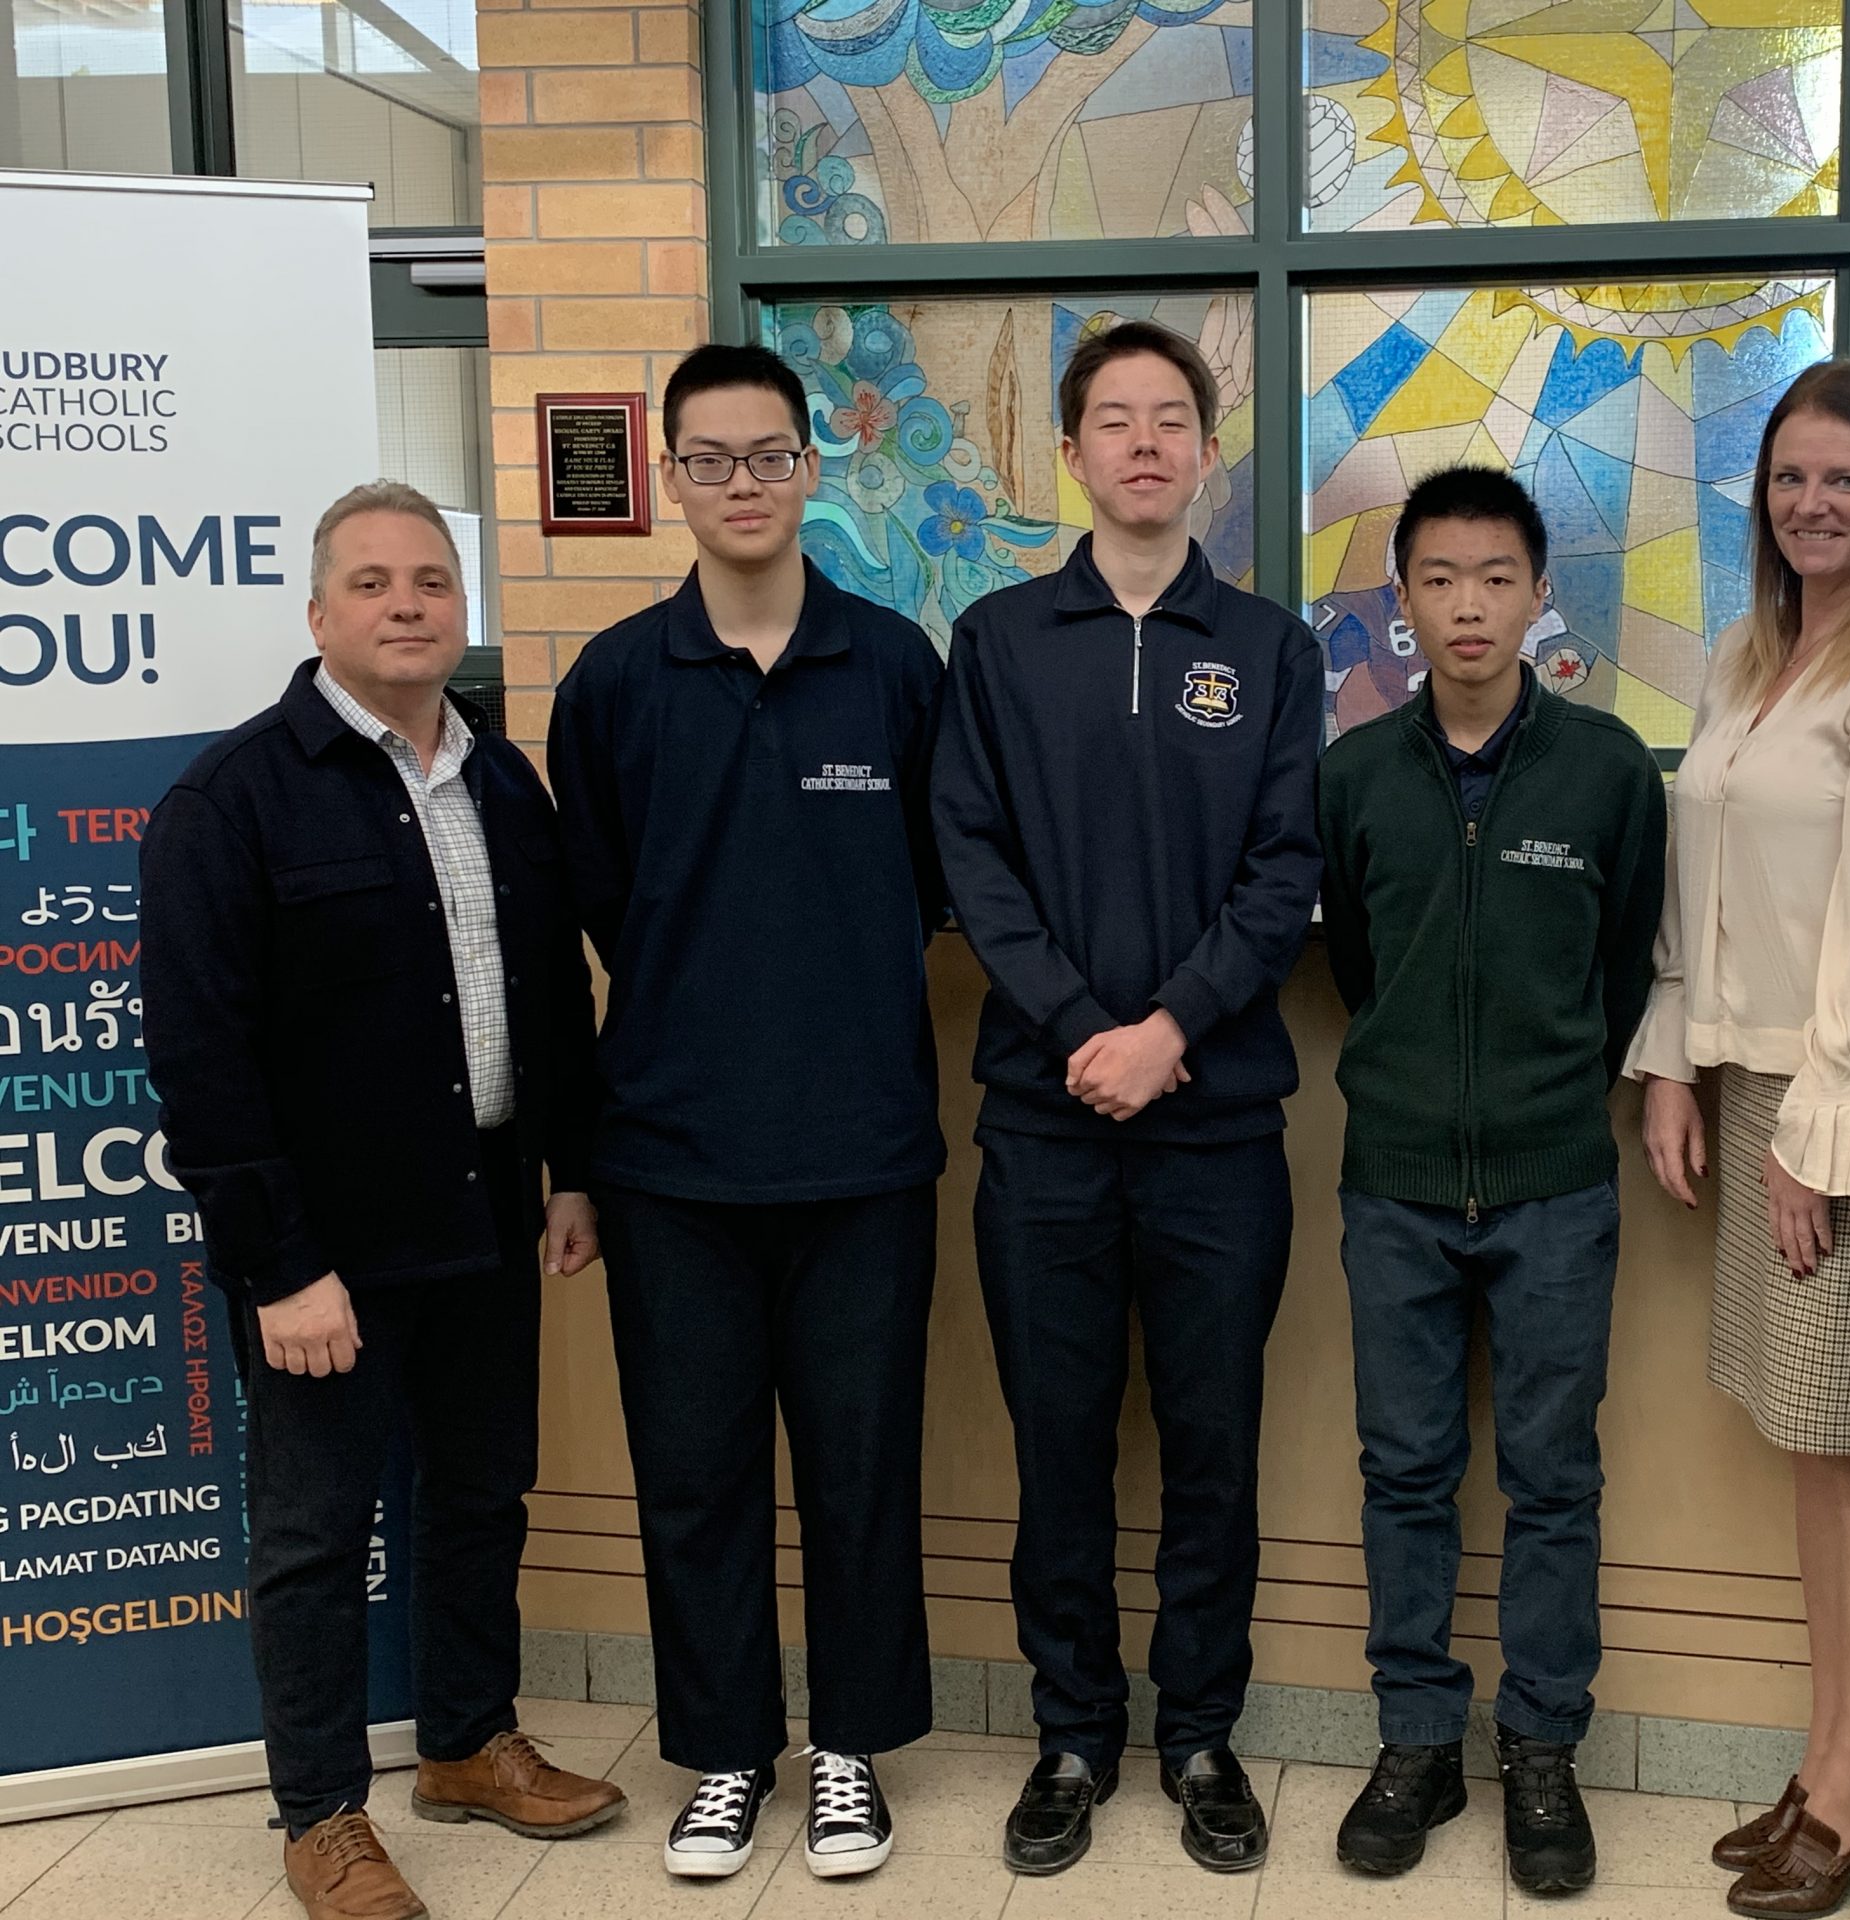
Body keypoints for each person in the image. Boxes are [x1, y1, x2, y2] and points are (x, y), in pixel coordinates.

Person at [141, 482, 625, 1920]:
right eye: (372, 583)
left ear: (459, 607)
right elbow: (201, 1059)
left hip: (486, 1210)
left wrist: (571, 1171)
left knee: (481, 1494)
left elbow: (550, 998)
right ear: (317, 614)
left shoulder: (501, 784)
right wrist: (278, 1267)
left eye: (430, 580)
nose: (407, 603)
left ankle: (470, 1742)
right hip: (324, 1251)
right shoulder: (230, 803)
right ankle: (322, 1817)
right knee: (313, 1530)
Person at [546, 343, 947, 1885]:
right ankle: (723, 1754)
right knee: (695, 1471)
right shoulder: (618, 684)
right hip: (671, 1164)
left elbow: (930, 887)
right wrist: (583, 1158)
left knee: (859, 1464)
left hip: (860, 1158)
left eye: (767, 454)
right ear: (669, 480)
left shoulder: (894, 666)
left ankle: (848, 1752)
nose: (741, 483)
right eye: (708, 459)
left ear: (810, 467)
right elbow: (589, 911)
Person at [931, 319, 1322, 1878]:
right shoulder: (1002, 641)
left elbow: (1286, 867)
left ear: (1208, 456)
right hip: (1044, 1122)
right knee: (1059, 1446)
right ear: (1073, 453)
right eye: (1116, 419)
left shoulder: (1273, 650)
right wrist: (1088, 1028)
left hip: (1219, 1125)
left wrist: (1171, 1030)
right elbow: (971, 857)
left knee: (1214, 1446)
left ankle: (1202, 1733)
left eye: (1173, 418)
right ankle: (1071, 1736)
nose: (1146, 442)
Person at [1628, 359, 1850, 1914]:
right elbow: (1702, 884)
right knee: (1811, 1447)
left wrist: (1821, 1123)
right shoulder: (1749, 648)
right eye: (1788, 480)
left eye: (1847, 478)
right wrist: (1673, 1059)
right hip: (1764, 1084)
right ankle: (1838, 1764)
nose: (1813, 505)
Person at [1318, 467, 1665, 1897]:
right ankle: (1416, 1741)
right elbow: (1355, 972)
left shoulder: (1606, 769)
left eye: (1496, 577)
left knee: (1552, 1480)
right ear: (1402, 602)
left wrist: (1539, 1097)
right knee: (1403, 1474)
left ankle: (1539, 1748)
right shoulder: (1350, 776)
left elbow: (1625, 959)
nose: (1468, 605)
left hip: (1554, 1187)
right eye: (1439, 579)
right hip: (1395, 1182)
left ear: (1538, 595)